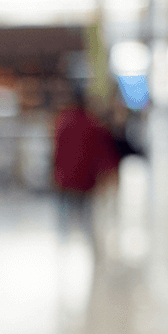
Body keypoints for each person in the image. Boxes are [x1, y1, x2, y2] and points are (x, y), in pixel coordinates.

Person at [51, 83, 119, 244]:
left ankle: (64, 242)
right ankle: (87, 241)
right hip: (85, 178)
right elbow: (102, 152)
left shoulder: (62, 122)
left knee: (65, 215)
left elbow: (57, 150)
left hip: (65, 177)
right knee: (86, 217)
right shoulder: (92, 123)